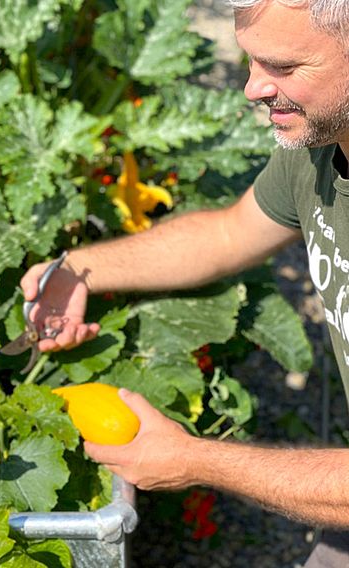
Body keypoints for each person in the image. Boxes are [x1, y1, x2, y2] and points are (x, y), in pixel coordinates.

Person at [21, 0, 349, 565]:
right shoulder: (319, 146)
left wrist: (196, 459)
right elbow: (226, 235)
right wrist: (81, 269)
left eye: (284, 68)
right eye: (250, 62)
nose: (252, 88)